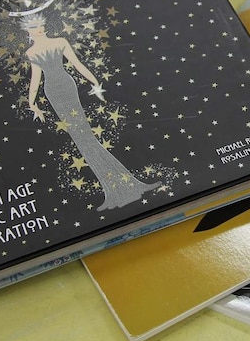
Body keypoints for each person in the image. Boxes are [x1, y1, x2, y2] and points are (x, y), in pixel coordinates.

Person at [23, 13, 160, 210]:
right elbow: (35, 80)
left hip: (67, 86)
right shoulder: (31, 53)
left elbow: (78, 64)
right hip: (52, 91)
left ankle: (125, 187)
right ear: (28, 31)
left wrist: (95, 83)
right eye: (35, 26)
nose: (40, 28)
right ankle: (115, 190)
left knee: (87, 139)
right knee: (82, 141)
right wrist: (32, 103)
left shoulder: (60, 41)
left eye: (41, 24)